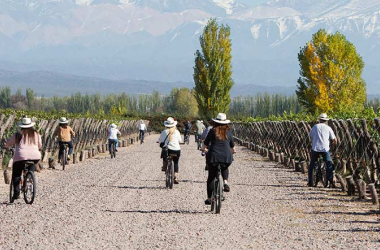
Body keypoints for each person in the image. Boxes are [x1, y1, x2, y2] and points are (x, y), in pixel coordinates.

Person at [5, 116, 42, 201]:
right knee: (31, 168)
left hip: (20, 157)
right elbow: (40, 145)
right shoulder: (36, 134)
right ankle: (30, 178)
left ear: (21, 126)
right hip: (35, 156)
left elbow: (9, 143)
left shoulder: (18, 134)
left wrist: (6, 147)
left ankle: (17, 193)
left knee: (16, 175)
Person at [202, 113, 236, 205]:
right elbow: (233, 148)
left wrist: (204, 149)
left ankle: (209, 198)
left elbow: (205, 145)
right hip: (226, 157)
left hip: (213, 157)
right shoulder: (228, 133)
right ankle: (225, 182)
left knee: (211, 178)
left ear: (215, 122)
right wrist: (232, 152)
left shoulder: (212, 131)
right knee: (224, 167)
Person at [308, 113, 337, 187]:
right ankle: (331, 182)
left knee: (312, 164)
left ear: (319, 120)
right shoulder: (328, 128)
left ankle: (310, 181)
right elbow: (334, 139)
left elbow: (310, 136)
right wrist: (333, 146)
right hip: (325, 149)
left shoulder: (315, 127)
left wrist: (311, 143)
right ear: (326, 121)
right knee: (329, 164)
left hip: (315, 148)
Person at [158, 117, 183, 184]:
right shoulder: (177, 132)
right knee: (176, 162)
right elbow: (180, 140)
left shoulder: (164, 132)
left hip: (168, 150)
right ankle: (176, 176)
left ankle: (164, 165)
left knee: (164, 150)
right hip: (177, 150)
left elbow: (160, 141)